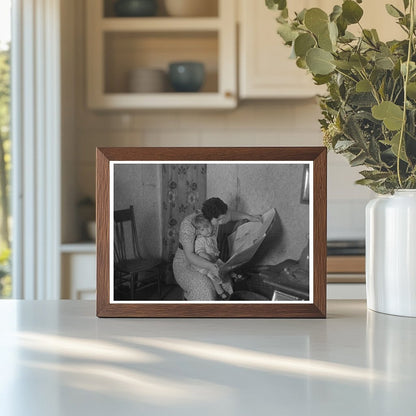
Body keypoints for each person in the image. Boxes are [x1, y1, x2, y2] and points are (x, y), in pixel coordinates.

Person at [173, 197, 261, 301]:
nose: (222, 222)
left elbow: (231, 215)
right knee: (204, 287)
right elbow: (190, 255)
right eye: (219, 220)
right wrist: (211, 266)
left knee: (225, 282)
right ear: (208, 218)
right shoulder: (188, 224)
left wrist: (249, 217)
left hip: (210, 259)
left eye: (222, 218)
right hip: (187, 263)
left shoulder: (217, 217)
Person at [192, 214, 233, 300]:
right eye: (202, 229)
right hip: (204, 262)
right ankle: (220, 292)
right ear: (199, 231)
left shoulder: (213, 236)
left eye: (207, 226)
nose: (206, 231)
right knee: (213, 276)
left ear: (211, 225)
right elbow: (200, 252)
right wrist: (207, 257)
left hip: (214, 260)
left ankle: (231, 283)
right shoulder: (200, 240)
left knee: (225, 268)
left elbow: (215, 248)